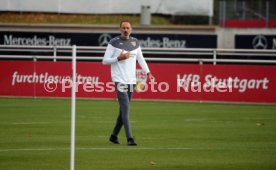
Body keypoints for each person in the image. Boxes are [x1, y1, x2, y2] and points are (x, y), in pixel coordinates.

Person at [102, 20, 154, 146]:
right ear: (120, 29)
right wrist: (119, 58)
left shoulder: (135, 42)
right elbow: (104, 61)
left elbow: (141, 59)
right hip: (119, 79)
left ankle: (114, 136)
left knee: (123, 111)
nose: (126, 30)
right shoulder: (113, 42)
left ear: (131, 29)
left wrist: (148, 73)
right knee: (126, 108)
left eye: (128, 28)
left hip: (131, 80)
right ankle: (130, 138)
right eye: (123, 28)